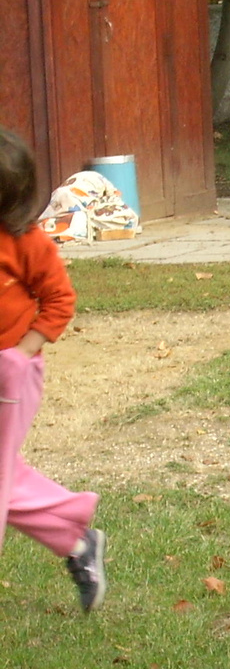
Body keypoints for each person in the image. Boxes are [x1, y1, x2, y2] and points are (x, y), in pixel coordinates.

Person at [0, 129, 106, 612]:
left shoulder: (24, 240)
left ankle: (75, 536)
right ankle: (75, 537)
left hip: (10, 376)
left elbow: (59, 299)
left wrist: (20, 355)